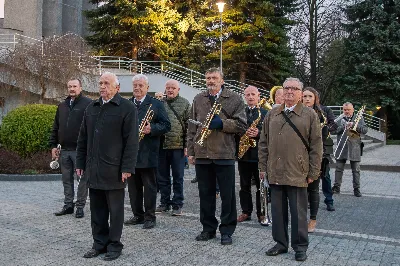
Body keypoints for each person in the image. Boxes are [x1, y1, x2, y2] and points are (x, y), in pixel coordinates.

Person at [76, 72, 139, 261]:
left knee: (116, 210)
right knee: (97, 210)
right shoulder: (92, 107)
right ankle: (99, 244)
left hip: (115, 170)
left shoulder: (126, 108)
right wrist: (80, 163)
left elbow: (132, 142)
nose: (102, 86)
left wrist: (127, 167)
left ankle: (114, 245)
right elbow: (83, 138)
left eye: (107, 83)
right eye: (100, 83)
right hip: (93, 169)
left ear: (117, 87)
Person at [259, 77, 322, 261]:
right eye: (286, 88)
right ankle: (280, 243)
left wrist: (313, 172)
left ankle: (300, 246)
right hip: (275, 171)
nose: (289, 92)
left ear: (301, 93)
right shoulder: (272, 114)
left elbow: (316, 146)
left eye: (294, 89)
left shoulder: (310, 115)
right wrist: (262, 167)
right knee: (278, 212)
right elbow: (263, 142)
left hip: (298, 172)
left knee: (298, 213)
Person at [187, 67, 247, 245]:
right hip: (203, 153)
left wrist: (222, 123)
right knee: (205, 194)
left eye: (214, 78)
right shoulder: (199, 98)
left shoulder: (234, 98)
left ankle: (227, 230)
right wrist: (190, 151)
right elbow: (191, 127)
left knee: (227, 196)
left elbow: (242, 125)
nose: (210, 81)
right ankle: (208, 229)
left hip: (224, 153)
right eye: (208, 78)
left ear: (222, 80)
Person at [124, 74, 171, 229]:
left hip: (148, 152)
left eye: (141, 85)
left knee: (149, 187)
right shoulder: (127, 103)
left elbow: (166, 125)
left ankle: (150, 217)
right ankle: (138, 215)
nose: (137, 88)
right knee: (133, 188)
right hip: (130, 154)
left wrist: (152, 129)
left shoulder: (156, 104)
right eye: (135, 85)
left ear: (147, 88)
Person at [49, 78, 92, 218]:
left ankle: (80, 206)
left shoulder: (88, 104)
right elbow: (56, 127)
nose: (72, 89)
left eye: (74, 86)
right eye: (69, 86)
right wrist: (53, 146)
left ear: (80, 88)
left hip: (80, 150)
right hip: (64, 150)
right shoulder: (62, 106)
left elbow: (91, 128)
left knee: (82, 180)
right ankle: (68, 205)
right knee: (66, 179)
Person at [302, 87, 337, 233]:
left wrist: (326, 127)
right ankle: (301, 217)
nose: (307, 99)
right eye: (305, 96)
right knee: (301, 188)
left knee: (316, 186)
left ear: (316, 98)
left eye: (310, 96)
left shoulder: (323, 111)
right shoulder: (297, 112)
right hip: (301, 154)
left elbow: (334, 126)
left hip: (319, 153)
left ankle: (313, 218)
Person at [155, 79, 190, 216]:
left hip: (177, 146)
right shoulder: (159, 103)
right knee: (162, 177)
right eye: (168, 87)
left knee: (178, 177)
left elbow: (189, 127)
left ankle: (177, 204)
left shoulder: (185, 103)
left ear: (178, 90)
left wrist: (187, 146)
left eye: (173, 88)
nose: (170, 90)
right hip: (161, 146)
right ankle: (164, 203)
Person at [236, 86, 267, 224]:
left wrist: (258, 133)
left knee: (261, 187)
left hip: (259, 156)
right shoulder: (239, 112)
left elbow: (270, 133)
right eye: (247, 94)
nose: (250, 97)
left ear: (258, 95)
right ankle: (245, 211)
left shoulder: (265, 113)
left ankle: (261, 213)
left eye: (253, 94)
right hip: (244, 155)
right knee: (244, 186)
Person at [332, 102, 368, 197]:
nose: (346, 111)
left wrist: (354, 125)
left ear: (353, 110)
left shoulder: (358, 118)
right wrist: (343, 126)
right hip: (342, 147)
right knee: (338, 169)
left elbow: (365, 129)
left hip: (354, 147)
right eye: (345, 110)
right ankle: (336, 187)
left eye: (348, 110)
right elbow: (334, 130)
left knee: (356, 170)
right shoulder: (340, 118)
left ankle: (356, 189)